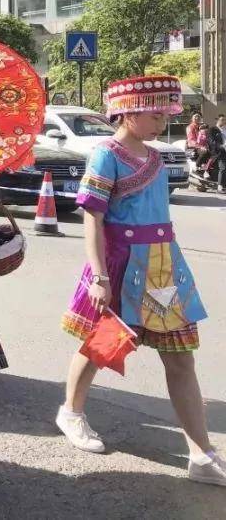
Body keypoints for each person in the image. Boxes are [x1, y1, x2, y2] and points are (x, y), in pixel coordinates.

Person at [57, 75, 224, 486]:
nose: (161, 122)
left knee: (181, 356)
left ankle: (202, 454)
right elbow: (92, 221)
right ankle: (71, 413)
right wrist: (99, 276)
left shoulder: (153, 156)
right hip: (120, 264)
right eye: (154, 114)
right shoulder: (105, 155)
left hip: (164, 265)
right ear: (128, 112)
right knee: (102, 344)